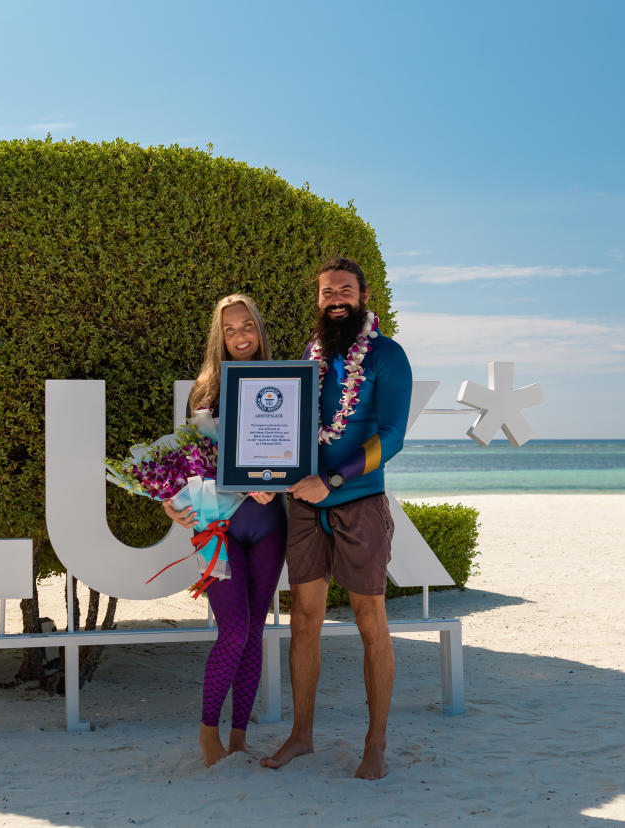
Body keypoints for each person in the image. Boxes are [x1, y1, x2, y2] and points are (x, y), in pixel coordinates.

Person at [262, 257, 412, 780]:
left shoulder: (388, 356)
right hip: (305, 506)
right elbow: (290, 425)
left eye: (345, 289)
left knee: (371, 622)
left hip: (359, 502)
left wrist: (335, 479)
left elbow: (391, 436)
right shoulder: (311, 355)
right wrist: (267, 473)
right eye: (328, 291)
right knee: (304, 620)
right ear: (319, 299)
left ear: (364, 296)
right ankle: (301, 736)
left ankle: (376, 743)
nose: (336, 298)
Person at [163, 294, 287, 767]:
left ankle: (239, 735)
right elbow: (183, 462)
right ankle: (207, 731)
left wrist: (275, 484)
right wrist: (171, 507)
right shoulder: (204, 391)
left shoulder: (281, 383)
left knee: (254, 632)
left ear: (259, 328)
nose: (240, 335)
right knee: (232, 632)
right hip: (219, 528)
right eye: (231, 328)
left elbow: (290, 450)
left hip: (268, 525)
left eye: (247, 325)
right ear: (220, 334)